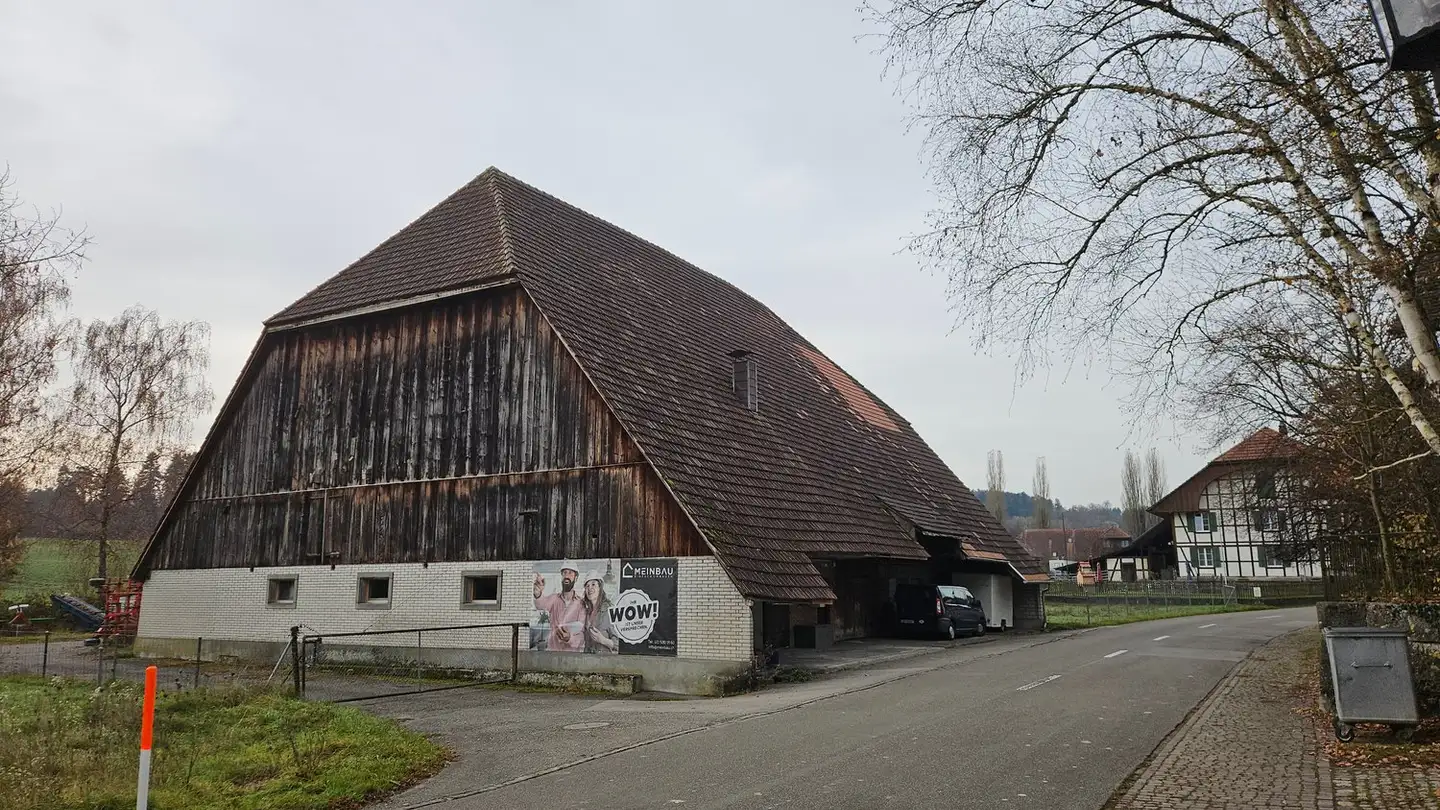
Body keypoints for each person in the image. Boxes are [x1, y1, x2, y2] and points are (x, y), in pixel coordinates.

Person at [534, 562, 585, 652]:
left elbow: (582, 634)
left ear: (576, 578)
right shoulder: (554, 599)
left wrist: (569, 638)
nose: (566, 576)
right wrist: (538, 594)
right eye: (564, 573)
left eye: (570, 573)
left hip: (572, 654)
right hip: (553, 651)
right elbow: (541, 605)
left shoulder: (581, 604)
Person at [581, 571, 618, 654]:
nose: (590, 588)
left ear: (600, 588)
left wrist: (603, 640)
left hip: (604, 660)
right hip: (587, 660)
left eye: (593, 584)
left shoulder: (609, 611)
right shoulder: (586, 612)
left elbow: (619, 644)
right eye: (587, 586)